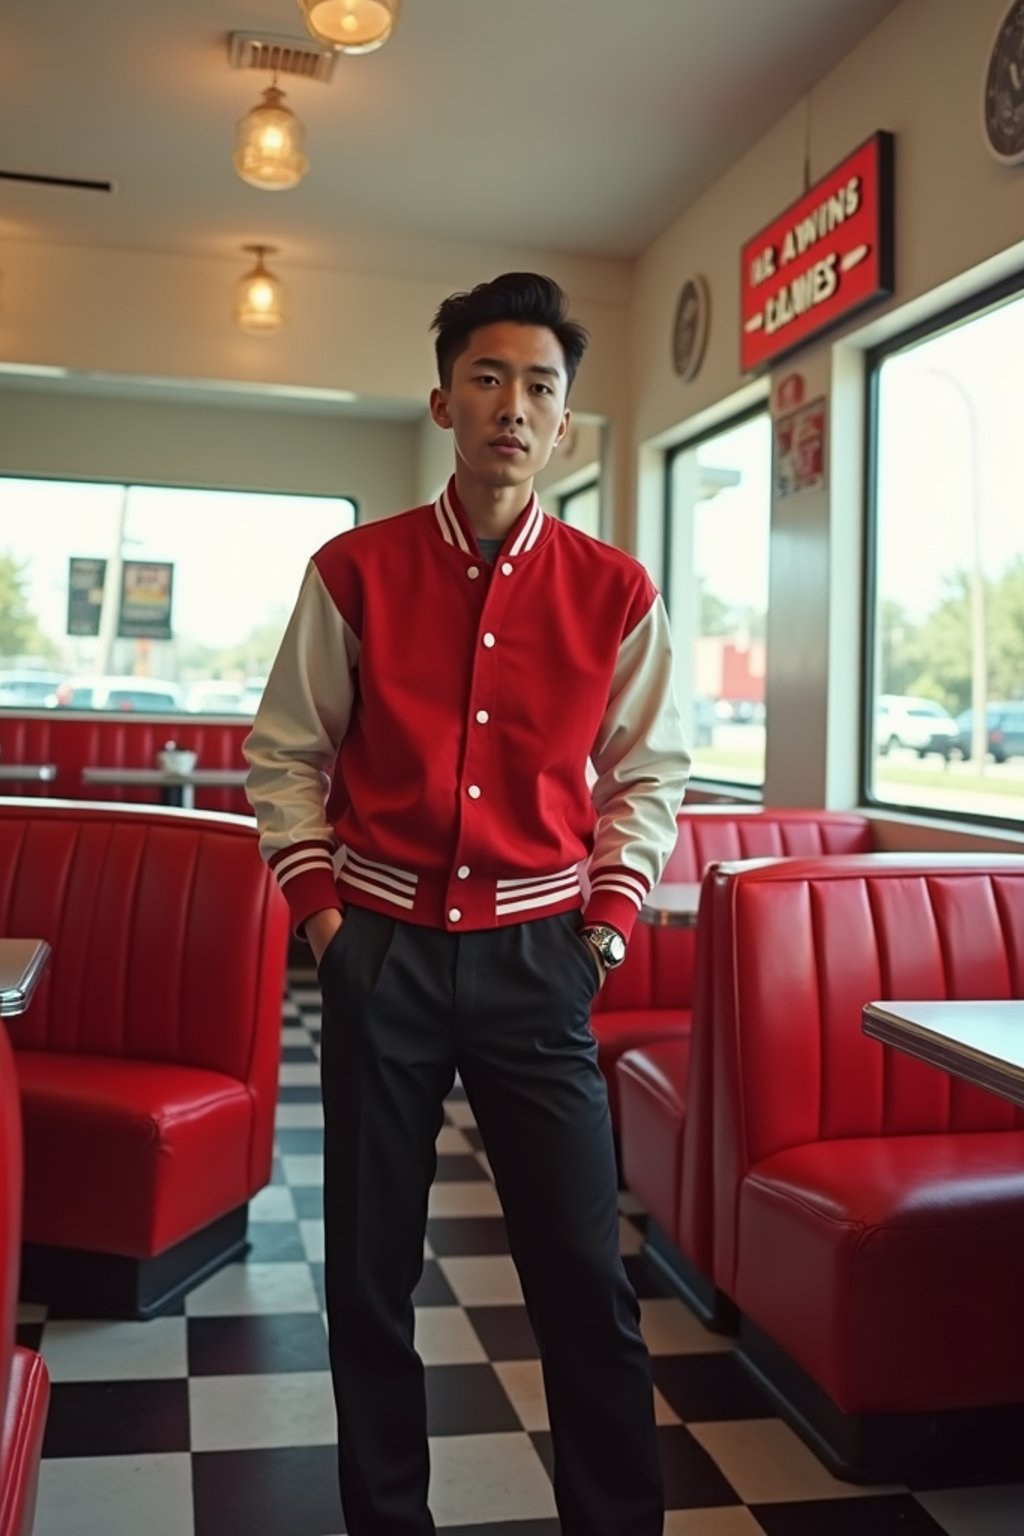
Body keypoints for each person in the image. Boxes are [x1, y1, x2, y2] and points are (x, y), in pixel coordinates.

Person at [244, 271, 690, 1536]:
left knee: (581, 1282)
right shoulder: (354, 570)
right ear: (444, 400)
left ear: (563, 423)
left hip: (540, 963)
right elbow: (286, 754)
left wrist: (602, 927)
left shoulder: (616, 593)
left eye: (540, 386)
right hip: (379, 954)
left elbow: (650, 770)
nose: (513, 404)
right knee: (371, 1284)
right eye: (488, 377)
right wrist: (329, 923)